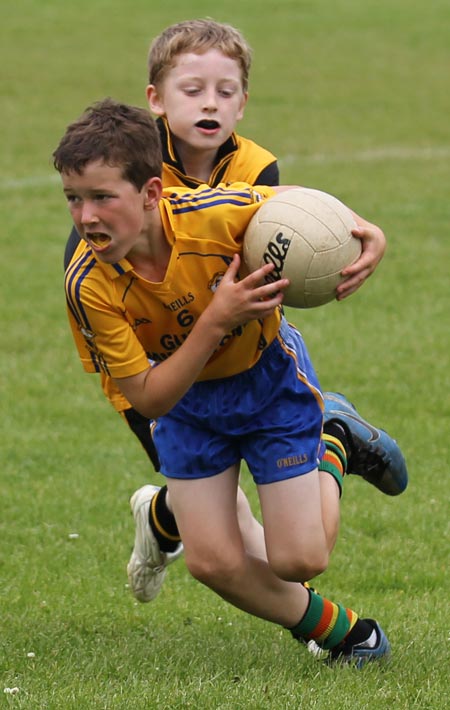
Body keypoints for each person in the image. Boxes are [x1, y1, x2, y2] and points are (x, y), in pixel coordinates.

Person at [62, 19, 407, 608]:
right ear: (157, 101)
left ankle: (326, 437)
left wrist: (360, 230)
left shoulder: (250, 170)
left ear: (244, 102)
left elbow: (290, 220)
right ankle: (182, 524)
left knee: (285, 554)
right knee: (227, 541)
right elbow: (127, 348)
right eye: (192, 90)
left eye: (225, 91)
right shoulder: (129, 173)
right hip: (152, 361)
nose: (209, 103)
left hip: (247, 351)